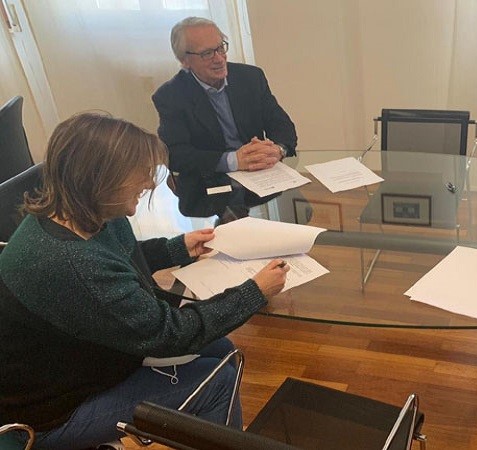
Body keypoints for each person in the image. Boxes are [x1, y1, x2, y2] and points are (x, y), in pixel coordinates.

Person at [0, 112, 289, 448]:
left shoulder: (73, 216)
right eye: (139, 172)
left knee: (222, 348)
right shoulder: (74, 263)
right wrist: (255, 292)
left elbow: (117, 260)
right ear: (100, 179)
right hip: (51, 412)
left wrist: (175, 248)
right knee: (218, 381)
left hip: (84, 361)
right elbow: (169, 334)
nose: (149, 183)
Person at [152, 17, 297, 178]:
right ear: (184, 60)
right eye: (207, 53)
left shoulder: (251, 77)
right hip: (208, 181)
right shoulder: (170, 96)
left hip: (259, 174)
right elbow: (175, 154)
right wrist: (233, 160)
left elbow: (281, 125)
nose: (219, 59)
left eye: (220, 48)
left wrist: (277, 149)